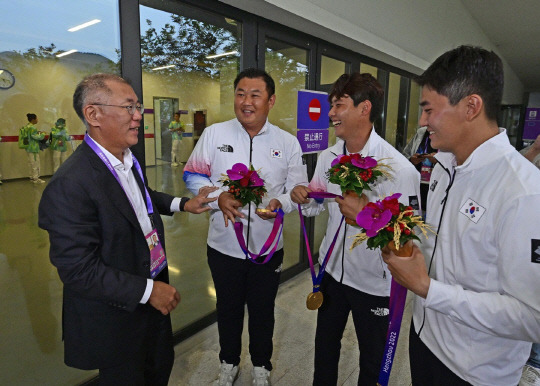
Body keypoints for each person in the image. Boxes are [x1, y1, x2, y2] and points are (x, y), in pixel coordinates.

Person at [38, 73, 217, 385]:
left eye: (138, 106)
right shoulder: (71, 183)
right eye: (128, 107)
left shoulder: (127, 159)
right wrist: (148, 291)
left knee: (158, 367)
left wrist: (181, 204)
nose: (138, 116)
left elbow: (140, 199)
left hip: (153, 288)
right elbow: (78, 269)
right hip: (118, 312)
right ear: (93, 114)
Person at [381, 46, 540, 386]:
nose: (422, 122)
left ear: (471, 106)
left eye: (428, 109)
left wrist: (426, 288)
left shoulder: (523, 192)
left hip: (473, 371)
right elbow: (438, 244)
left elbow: (532, 317)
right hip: (424, 337)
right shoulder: (443, 166)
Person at [290, 73, 420, 385]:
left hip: (375, 283)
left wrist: (367, 216)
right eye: (330, 105)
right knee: (325, 349)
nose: (331, 113)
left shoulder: (398, 168)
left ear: (364, 108)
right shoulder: (328, 157)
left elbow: (408, 239)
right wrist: (302, 197)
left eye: (338, 105)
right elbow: (315, 206)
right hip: (332, 273)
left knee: (372, 361)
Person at [183, 68, 308, 385]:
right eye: (240, 93)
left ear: (271, 100)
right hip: (223, 246)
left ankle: (261, 367)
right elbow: (193, 176)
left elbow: (297, 189)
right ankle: (228, 362)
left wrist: (282, 203)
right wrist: (218, 198)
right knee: (227, 309)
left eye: (255, 94)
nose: (246, 101)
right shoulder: (215, 134)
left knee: (264, 310)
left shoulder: (288, 143)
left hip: (268, 250)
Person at [519, 133, 540, 386]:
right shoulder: (529, 152)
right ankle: (532, 362)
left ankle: (534, 364)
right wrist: (535, 149)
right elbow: (513, 170)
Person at [402, 125, 437, 214]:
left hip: (435, 187)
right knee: (415, 216)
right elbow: (404, 155)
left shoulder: (448, 134)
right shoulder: (421, 132)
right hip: (417, 184)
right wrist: (411, 160)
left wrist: (439, 161)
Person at [24, 113, 45, 183]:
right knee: (36, 163)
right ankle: (36, 178)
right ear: (33, 119)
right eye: (36, 118)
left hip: (28, 147)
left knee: (30, 162)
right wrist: (42, 134)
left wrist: (38, 132)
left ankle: (31, 177)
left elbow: (31, 136)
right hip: (33, 148)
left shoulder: (27, 126)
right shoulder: (32, 128)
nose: (37, 120)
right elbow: (36, 137)